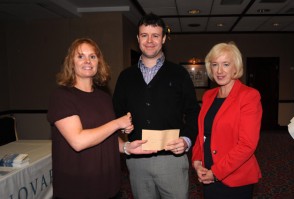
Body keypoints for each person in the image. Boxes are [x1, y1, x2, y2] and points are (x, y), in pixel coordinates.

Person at [47, 38, 154, 199]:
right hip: (78, 189)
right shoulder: (62, 96)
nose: (87, 61)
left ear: (99, 62)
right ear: (71, 62)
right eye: (80, 56)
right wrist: (117, 123)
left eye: (93, 56)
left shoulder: (103, 97)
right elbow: (78, 141)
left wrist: (126, 147)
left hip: (110, 186)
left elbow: (107, 135)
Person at [113, 13, 200, 199]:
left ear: (163, 39)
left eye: (155, 35)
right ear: (138, 39)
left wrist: (186, 139)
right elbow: (115, 114)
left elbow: (193, 112)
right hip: (137, 160)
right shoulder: (125, 77)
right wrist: (122, 124)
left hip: (172, 159)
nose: (150, 40)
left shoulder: (179, 74)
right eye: (144, 35)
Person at [192, 42, 262, 199]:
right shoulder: (208, 96)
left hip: (235, 178)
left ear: (235, 68)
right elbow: (202, 133)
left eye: (226, 64)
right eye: (215, 64)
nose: (219, 70)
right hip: (207, 173)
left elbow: (247, 145)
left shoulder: (249, 96)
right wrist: (197, 161)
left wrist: (216, 173)